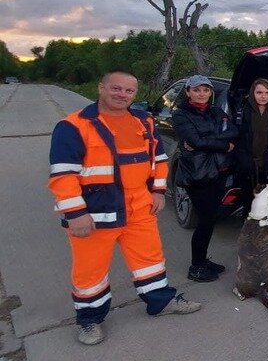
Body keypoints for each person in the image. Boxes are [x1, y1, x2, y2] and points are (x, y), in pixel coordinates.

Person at [49, 70, 201, 346]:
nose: (122, 95)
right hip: (95, 212)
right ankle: (89, 320)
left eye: (129, 91)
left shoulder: (143, 121)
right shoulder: (74, 126)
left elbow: (159, 159)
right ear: (101, 88)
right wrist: (75, 213)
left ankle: (160, 302)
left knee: (150, 260)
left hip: (139, 206)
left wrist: (157, 191)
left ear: (135, 94)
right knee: (90, 271)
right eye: (116, 89)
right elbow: (63, 176)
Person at [171, 75, 240, 283]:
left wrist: (208, 140)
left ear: (211, 93)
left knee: (210, 220)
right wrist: (223, 143)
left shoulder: (216, 111)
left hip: (218, 172)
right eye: (197, 90)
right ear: (188, 92)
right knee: (204, 221)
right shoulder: (181, 115)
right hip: (197, 174)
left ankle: (203, 260)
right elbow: (195, 141)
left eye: (206, 90)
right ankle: (196, 267)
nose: (202, 94)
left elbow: (233, 131)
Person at [234, 78, 268, 223]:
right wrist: (245, 161)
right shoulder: (243, 111)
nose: (263, 96)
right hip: (249, 166)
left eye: (267, 93)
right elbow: (237, 139)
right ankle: (250, 234)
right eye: (259, 92)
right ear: (253, 93)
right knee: (249, 202)